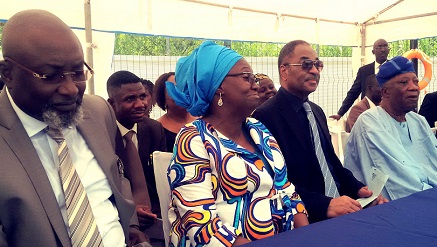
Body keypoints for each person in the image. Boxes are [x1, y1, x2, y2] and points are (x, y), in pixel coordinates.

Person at [0, 9, 148, 246]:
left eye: (78, 72)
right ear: (8, 73)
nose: (71, 89)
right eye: (50, 76)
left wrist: (130, 226)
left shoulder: (98, 111)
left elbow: (117, 175)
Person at [166, 41, 309, 247]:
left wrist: (307, 237)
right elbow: (202, 226)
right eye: (246, 77)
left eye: (254, 77)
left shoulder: (258, 129)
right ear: (218, 86)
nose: (255, 84)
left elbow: (287, 191)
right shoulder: (194, 139)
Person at [252, 40, 386, 224]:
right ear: (284, 70)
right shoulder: (264, 117)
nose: (314, 70)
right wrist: (325, 205)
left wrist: (359, 189)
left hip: (344, 208)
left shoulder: (316, 111)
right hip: (306, 219)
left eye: (318, 64)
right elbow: (274, 184)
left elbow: (331, 163)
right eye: (306, 64)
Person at [344, 56, 437, 201]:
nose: (413, 87)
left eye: (415, 81)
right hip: (400, 205)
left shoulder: (419, 121)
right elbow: (398, 183)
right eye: (404, 82)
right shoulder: (370, 123)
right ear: (385, 92)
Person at [107, 71, 167, 228]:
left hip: (156, 216)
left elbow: (161, 179)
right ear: (111, 104)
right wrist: (131, 213)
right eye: (130, 99)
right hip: (118, 220)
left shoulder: (154, 129)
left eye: (143, 96)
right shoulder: (102, 135)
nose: (141, 104)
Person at [330, 39, 389, 120]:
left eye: (385, 46)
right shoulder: (364, 71)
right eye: (379, 47)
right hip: (368, 112)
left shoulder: (395, 69)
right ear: (373, 52)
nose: (383, 49)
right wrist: (340, 113)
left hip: (389, 113)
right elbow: (353, 93)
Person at [154, 72, 196, 152]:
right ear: (163, 97)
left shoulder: (205, 122)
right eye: (174, 89)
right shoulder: (157, 129)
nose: (180, 94)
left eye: (184, 88)